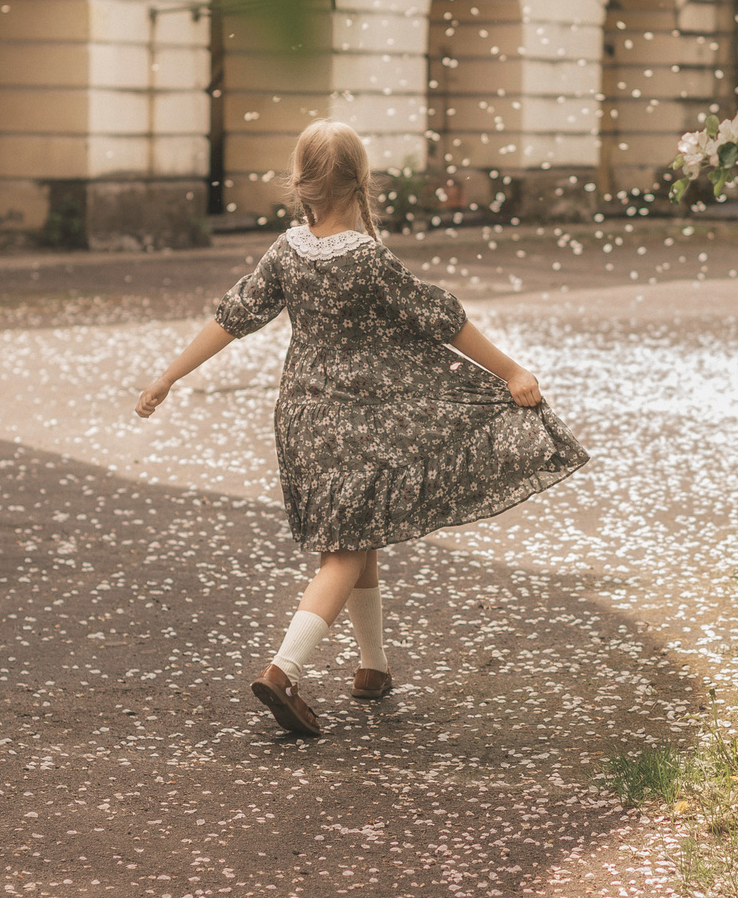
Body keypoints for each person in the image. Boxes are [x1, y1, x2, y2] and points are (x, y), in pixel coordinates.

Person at [136, 121, 589, 735]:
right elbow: (442, 319)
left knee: (355, 534)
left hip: (301, 419)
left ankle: (373, 667)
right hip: (362, 421)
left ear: (302, 183)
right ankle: (283, 671)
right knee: (344, 553)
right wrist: (510, 370)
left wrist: (168, 377)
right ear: (362, 182)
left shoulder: (286, 250)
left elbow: (232, 318)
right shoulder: (370, 259)